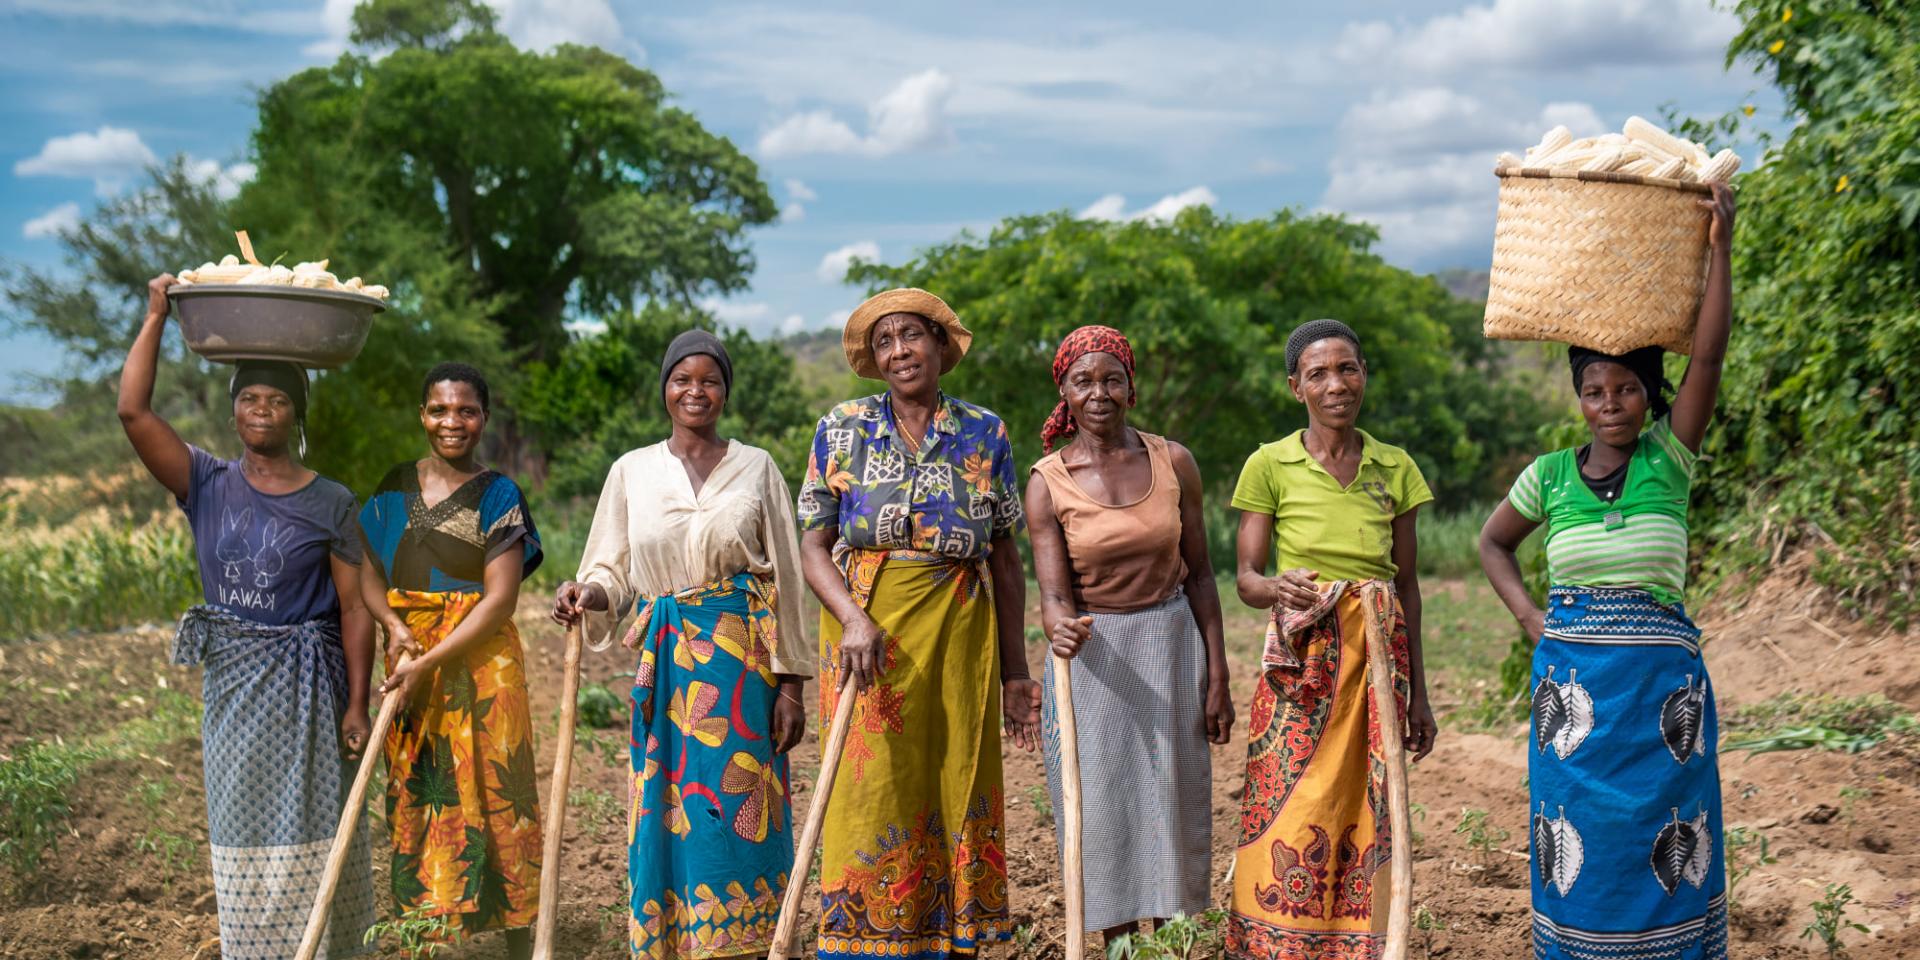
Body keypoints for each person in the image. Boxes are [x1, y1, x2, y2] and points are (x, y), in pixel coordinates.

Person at [1479, 183, 1737, 960]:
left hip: (1662, 704)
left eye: (1626, 388)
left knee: (1667, 834)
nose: (1611, 403)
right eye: (1594, 391)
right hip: (1575, 703)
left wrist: (1720, 247)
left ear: (1650, 396)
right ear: (1580, 399)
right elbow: (1493, 544)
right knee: (1578, 833)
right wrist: (1531, 618)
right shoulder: (1550, 476)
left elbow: (1712, 352)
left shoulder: (1672, 458)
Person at [118, 274, 374, 958]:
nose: (263, 409)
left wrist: (357, 703)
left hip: (312, 696)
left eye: (279, 399)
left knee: (320, 828)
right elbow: (133, 414)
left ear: (298, 415)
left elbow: (354, 607)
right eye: (251, 399)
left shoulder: (331, 503)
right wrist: (154, 318)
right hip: (235, 693)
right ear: (235, 413)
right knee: (243, 834)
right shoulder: (204, 482)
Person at [551, 330, 813, 957]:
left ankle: (749, 941)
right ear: (664, 390)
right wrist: (586, 593)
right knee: (667, 800)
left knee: (741, 796)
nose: (696, 391)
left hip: (742, 661)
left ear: (725, 391)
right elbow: (610, 569)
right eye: (682, 379)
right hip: (667, 665)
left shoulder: (757, 467)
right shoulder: (632, 471)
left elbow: (789, 579)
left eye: (710, 380)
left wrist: (793, 684)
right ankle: (676, 939)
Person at [795, 288, 1038, 959]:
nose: (900, 350)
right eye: (885, 341)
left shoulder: (984, 431)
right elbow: (813, 546)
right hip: (866, 628)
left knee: (956, 771)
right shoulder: (841, 428)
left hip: (961, 627)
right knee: (872, 783)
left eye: (912, 336)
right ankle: (867, 939)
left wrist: (1016, 672)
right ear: (874, 359)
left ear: (939, 345)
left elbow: (1006, 557)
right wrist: (851, 619)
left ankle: (952, 937)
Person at [1225, 318, 1439, 958]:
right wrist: (1277, 589)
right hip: (1305, 657)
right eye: (1317, 373)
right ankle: (1276, 942)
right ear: (1296, 387)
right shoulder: (1269, 464)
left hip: (1377, 655)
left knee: (1369, 804)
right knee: (1293, 796)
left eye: (1347, 369)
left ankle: (1361, 943)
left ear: (1364, 376)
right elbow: (1245, 577)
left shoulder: (1394, 468)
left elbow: (1409, 586)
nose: (1335, 384)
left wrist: (1419, 693)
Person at [1025, 325, 1233, 944]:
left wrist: (1217, 675)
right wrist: (1059, 629)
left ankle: (1168, 946)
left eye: (1111, 378)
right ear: (1064, 391)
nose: (1099, 393)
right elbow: (1055, 596)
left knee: (1172, 800)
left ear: (1130, 387)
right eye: (1083, 381)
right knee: (1103, 810)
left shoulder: (1174, 461)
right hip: (1093, 658)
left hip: (1171, 646)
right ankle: (1119, 948)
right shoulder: (1048, 481)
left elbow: (1200, 577)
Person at [357, 362, 543, 958]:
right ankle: (427, 938)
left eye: (465, 410)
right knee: (421, 792)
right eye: (439, 410)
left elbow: (500, 599)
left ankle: (520, 940)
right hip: (410, 662)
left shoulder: (499, 495)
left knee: (499, 794)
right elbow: (369, 574)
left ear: (483, 418)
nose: (451, 422)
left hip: (482, 666)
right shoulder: (391, 488)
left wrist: (431, 656)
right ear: (422, 415)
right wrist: (392, 627)